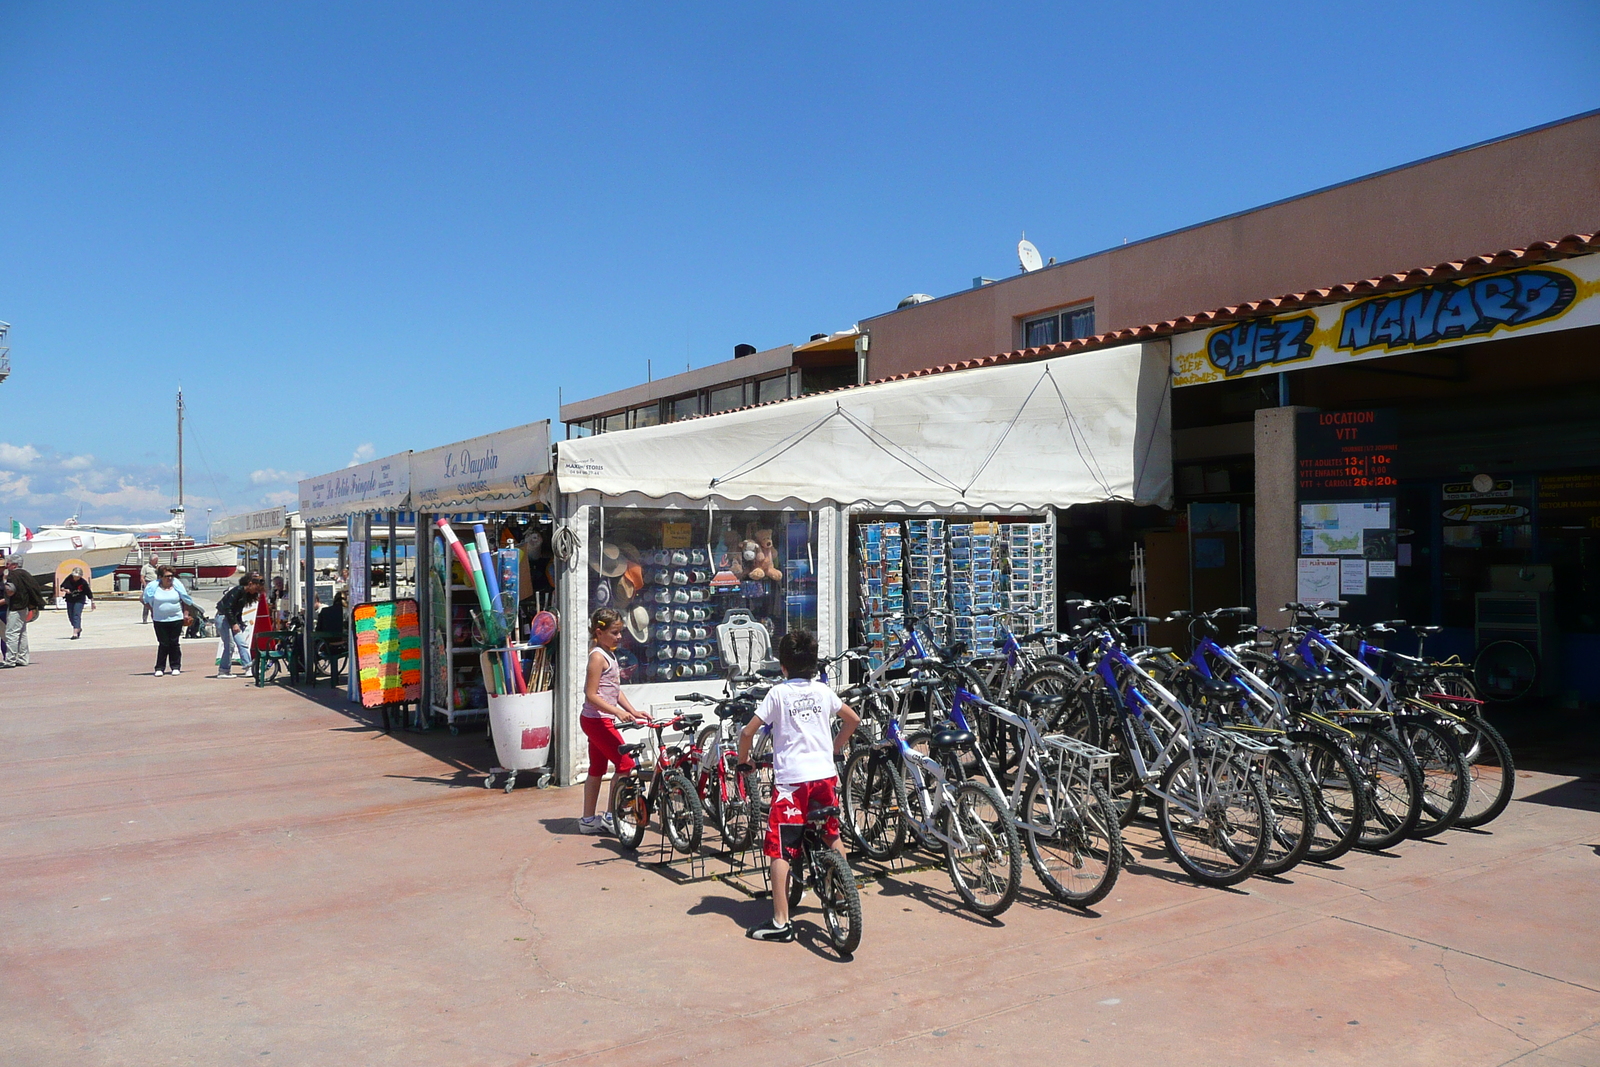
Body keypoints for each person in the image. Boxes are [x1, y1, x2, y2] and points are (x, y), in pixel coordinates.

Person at [736, 630, 859, 943]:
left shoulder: (778, 694)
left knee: (781, 849)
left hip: (792, 783)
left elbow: (748, 732)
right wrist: (835, 748)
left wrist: (744, 761)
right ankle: (844, 894)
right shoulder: (823, 691)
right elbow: (853, 720)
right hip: (825, 777)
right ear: (815, 664)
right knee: (831, 834)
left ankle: (781, 922)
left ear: (783, 667)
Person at [578, 607, 642, 836]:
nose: (619, 637)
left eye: (620, 632)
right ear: (599, 632)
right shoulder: (597, 657)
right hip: (597, 720)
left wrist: (632, 711)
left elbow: (614, 690)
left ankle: (588, 819)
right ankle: (610, 816)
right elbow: (591, 694)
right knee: (626, 764)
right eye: (615, 633)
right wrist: (616, 712)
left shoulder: (609, 654)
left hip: (599, 719)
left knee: (597, 767)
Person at [141, 565, 194, 676]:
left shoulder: (177, 586)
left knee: (174, 643)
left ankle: (175, 666)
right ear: (160, 577)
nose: (170, 578)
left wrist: (186, 614)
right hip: (159, 620)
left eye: (171, 576)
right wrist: (152, 609)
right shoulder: (153, 587)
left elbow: (186, 601)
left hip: (176, 618)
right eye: (167, 576)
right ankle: (159, 668)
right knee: (163, 643)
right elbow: (143, 599)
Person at [214, 571, 264, 678]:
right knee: (229, 645)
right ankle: (224, 670)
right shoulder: (237, 591)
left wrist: (239, 623)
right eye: (256, 587)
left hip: (232, 619)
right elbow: (228, 608)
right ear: (250, 583)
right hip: (223, 618)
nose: (256, 590)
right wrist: (234, 624)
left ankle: (248, 667)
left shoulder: (245, 595)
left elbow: (237, 611)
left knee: (242, 643)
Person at [3, 558, 46, 668]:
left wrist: (4, 581)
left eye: (8, 563)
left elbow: (10, 590)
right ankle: (23, 658)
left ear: (14, 564)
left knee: (11, 634)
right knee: (22, 633)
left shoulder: (13, 575)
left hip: (16, 607)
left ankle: (10, 660)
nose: (6, 566)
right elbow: (35, 588)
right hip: (25, 607)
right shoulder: (26, 574)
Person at [60, 566, 94, 639]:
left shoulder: (83, 582)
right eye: (75, 576)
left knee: (76, 615)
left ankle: (75, 633)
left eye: (78, 577)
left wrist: (92, 602)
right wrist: (66, 590)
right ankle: (78, 627)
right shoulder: (69, 579)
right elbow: (62, 587)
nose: (76, 578)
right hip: (69, 599)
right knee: (71, 616)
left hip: (79, 599)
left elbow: (88, 592)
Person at [140, 557, 159, 623]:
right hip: (149, 583)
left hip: (156, 584)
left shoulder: (158, 567)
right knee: (147, 601)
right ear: (151, 560)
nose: (157, 562)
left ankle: (155, 617)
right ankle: (144, 618)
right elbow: (142, 578)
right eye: (155, 560)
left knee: (156, 602)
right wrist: (145, 586)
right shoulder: (145, 567)